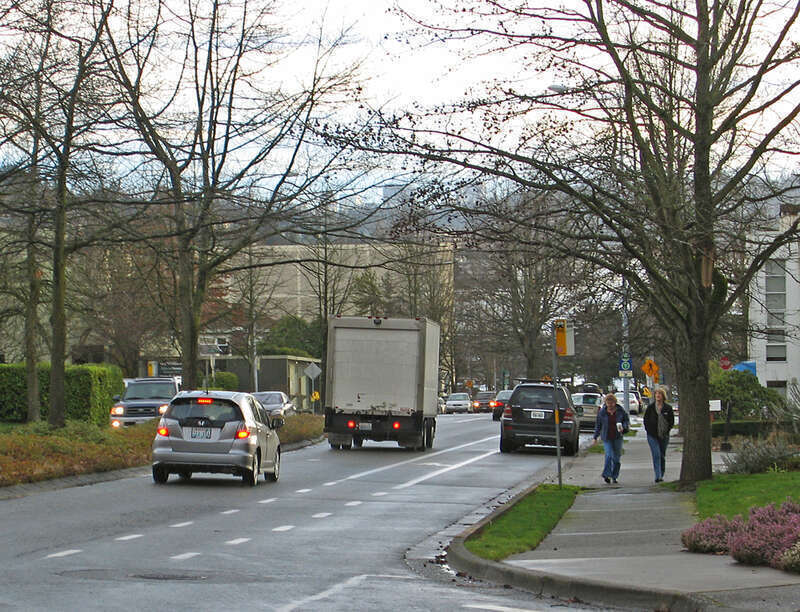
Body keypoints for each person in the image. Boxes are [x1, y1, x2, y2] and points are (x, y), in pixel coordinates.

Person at [593, 393, 630, 484]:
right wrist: (595, 437)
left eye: (611, 402)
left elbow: (626, 420)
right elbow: (598, 425)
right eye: (608, 402)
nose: (610, 405)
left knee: (616, 459)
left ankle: (614, 476)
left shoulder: (620, 411)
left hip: (617, 437)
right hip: (607, 437)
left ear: (615, 402)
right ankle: (606, 475)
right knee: (608, 455)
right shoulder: (602, 413)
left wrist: (623, 427)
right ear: (605, 403)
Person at [643, 388, 675, 483]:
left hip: (663, 435)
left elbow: (671, 421)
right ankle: (658, 475)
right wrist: (649, 430)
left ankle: (662, 472)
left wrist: (666, 430)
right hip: (652, 435)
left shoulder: (668, 408)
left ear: (663, 396)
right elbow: (646, 420)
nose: (658, 395)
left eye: (660, 394)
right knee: (656, 454)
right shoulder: (651, 408)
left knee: (661, 455)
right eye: (656, 394)